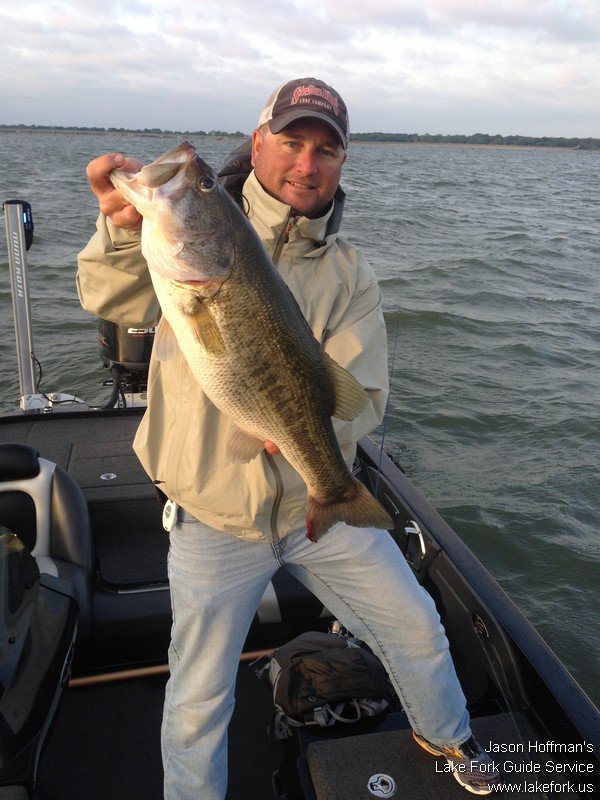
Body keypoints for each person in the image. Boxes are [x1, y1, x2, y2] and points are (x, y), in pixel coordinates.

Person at [77, 77, 501, 798]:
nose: (306, 164)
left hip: (316, 503)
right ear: (258, 142)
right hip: (215, 514)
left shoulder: (349, 272)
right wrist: (121, 229)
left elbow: (360, 394)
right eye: (291, 141)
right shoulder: (190, 239)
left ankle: (449, 735)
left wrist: (304, 433)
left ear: (342, 163)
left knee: (416, 622)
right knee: (199, 693)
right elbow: (111, 298)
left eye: (325, 150)